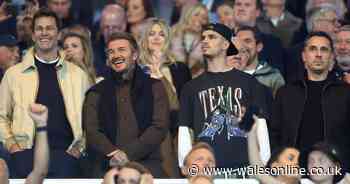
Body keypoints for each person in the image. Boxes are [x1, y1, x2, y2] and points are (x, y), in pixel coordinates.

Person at [0, 8, 90, 178]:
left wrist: (78, 149)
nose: (44, 33)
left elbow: (90, 118)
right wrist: (13, 147)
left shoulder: (78, 75)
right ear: (33, 35)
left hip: (67, 155)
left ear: (58, 34)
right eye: (39, 29)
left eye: (49, 28)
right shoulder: (13, 74)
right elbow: (1, 116)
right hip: (25, 154)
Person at [178, 23, 271, 171]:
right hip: (206, 170)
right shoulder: (190, 88)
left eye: (212, 37)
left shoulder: (249, 83)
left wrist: (262, 163)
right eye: (203, 37)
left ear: (226, 44)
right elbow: (184, 130)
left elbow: (260, 125)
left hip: (244, 169)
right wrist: (185, 164)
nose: (205, 41)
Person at [83, 32, 170, 177]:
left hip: (147, 165)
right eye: (111, 52)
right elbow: (92, 130)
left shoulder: (155, 87)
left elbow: (159, 126)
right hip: (107, 166)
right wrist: (113, 154)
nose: (116, 55)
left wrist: (128, 154)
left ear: (135, 55)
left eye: (121, 50)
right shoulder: (95, 92)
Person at [271, 31, 350, 173]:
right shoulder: (286, 93)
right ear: (304, 56)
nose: (318, 54)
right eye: (313, 49)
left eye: (324, 49)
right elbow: (275, 135)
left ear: (332, 57)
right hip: (293, 172)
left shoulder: (345, 93)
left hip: (334, 174)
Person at [138, 18, 191, 177]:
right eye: (151, 34)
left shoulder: (180, 69)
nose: (156, 38)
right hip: (142, 133)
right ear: (144, 39)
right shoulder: (136, 69)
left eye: (161, 34)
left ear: (167, 39)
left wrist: (159, 75)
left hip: (173, 131)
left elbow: (183, 104)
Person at [232, 0, 286, 76]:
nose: (241, 8)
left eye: (247, 5)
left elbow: (276, 79)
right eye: (238, 4)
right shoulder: (222, 39)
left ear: (257, 12)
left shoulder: (272, 43)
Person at [236, 26, 285, 96]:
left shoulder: (273, 76)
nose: (242, 46)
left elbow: (280, 104)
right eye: (239, 42)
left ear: (259, 47)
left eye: (247, 41)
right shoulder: (228, 75)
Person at [171, 3, 209, 77]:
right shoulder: (173, 33)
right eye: (196, 14)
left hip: (196, 81)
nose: (200, 19)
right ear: (188, 15)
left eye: (204, 17)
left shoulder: (206, 40)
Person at [93, 3, 127, 77]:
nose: (110, 32)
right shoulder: (93, 51)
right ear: (101, 28)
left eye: (114, 27)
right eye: (106, 27)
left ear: (124, 26)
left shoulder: (134, 49)